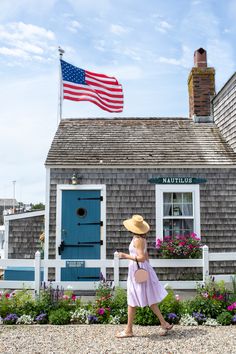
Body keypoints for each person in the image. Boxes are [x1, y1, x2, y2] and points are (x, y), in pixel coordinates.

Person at [116, 214, 173, 338]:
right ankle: (164, 323)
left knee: (132, 298)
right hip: (140, 270)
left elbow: (141, 258)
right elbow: (146, 258)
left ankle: (128, 330)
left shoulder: (137, 240)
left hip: (137, 271)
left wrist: (125, 256)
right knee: (149, 298)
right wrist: (148, 271)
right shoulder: (141, 239)